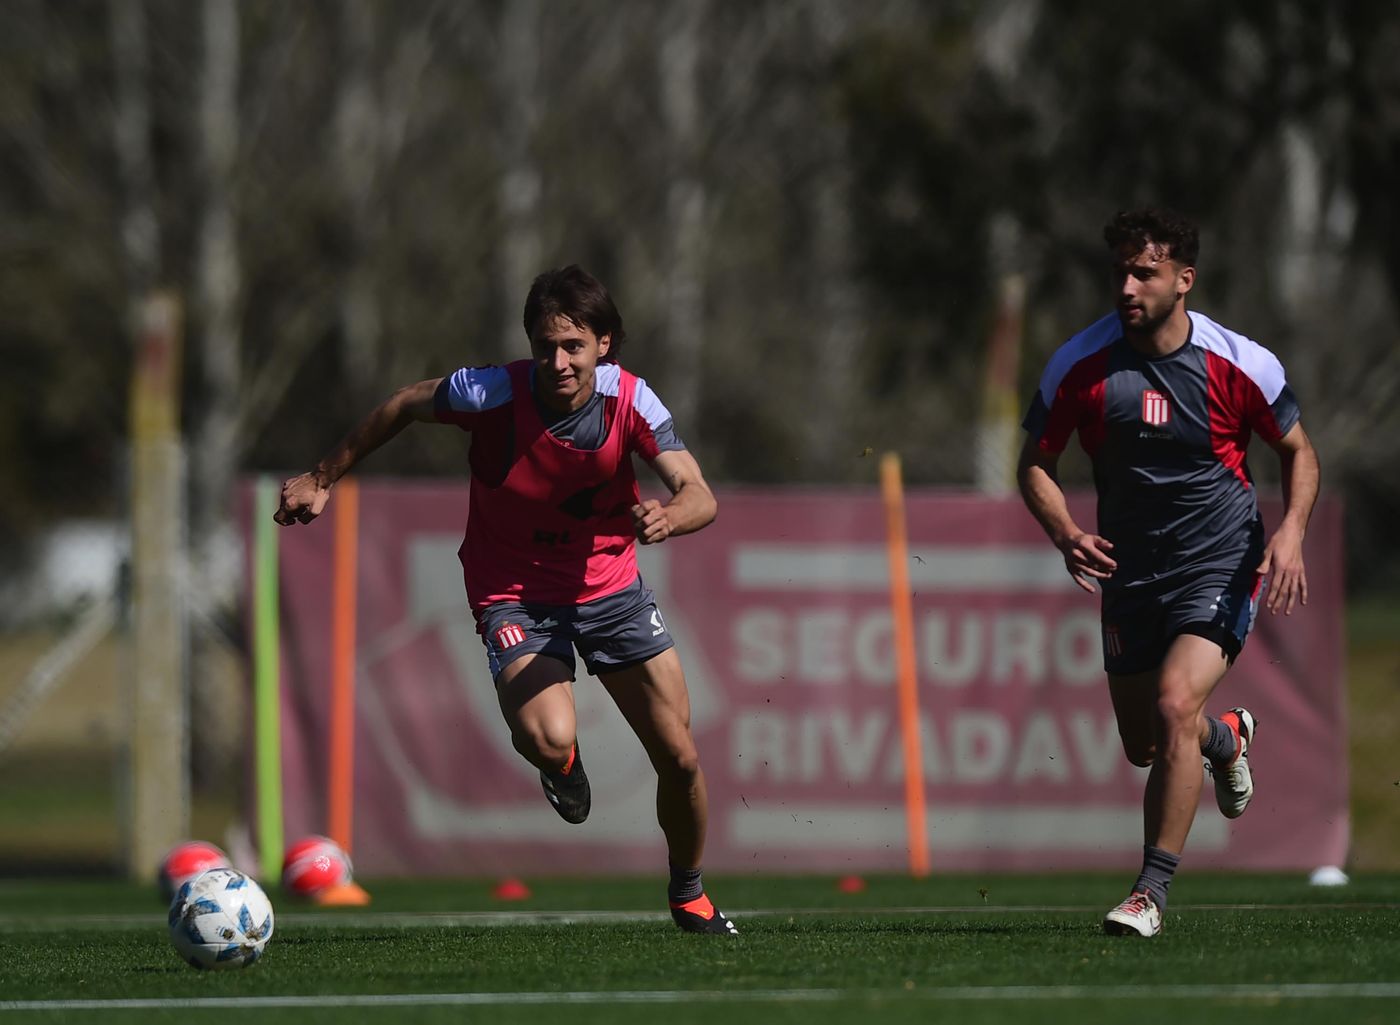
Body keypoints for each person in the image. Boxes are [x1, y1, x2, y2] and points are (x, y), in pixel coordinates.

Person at [275, 265, 737, 935]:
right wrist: (322, 476)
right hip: (514, 593)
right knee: (548, 739)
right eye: (545, 345)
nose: (558, 361)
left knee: (681, 756)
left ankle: (688, 890)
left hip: (611, 591)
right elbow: (405, 402)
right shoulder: (489, 392)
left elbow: (700, 493)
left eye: (574, 346)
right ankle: (565, 765)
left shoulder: (633, 400)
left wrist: (670, 515)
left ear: (604, 344)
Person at [1017, 209, 1320, 937]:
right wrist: (1064, 531)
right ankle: (1228, 740)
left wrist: (1291, 533)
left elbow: (1298, 451)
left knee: (1174, 702)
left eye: (1144, 271)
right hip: (1132, 570)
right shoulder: (1078, 366)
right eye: (1120, 270)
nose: (1127, 285)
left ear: (1184, 280)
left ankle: (1149, 892)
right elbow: (1034, 464)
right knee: (1145, 743)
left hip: (1221, 556)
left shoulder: (1241, 362)